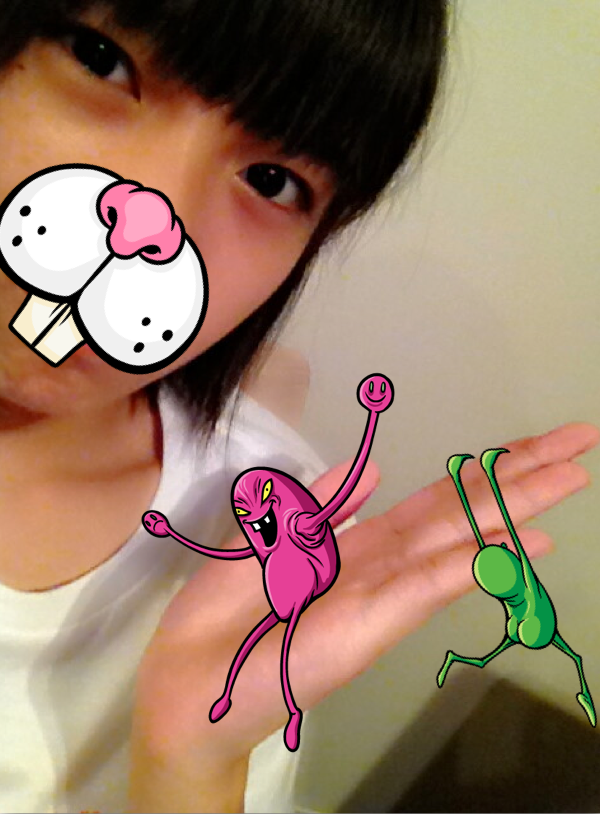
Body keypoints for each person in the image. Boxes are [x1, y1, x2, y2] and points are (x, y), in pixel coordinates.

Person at [0, 1, 597, 812]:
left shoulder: (264, 525)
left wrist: (190, 766)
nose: (150, 221)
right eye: (101, 59)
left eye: (272, 181)